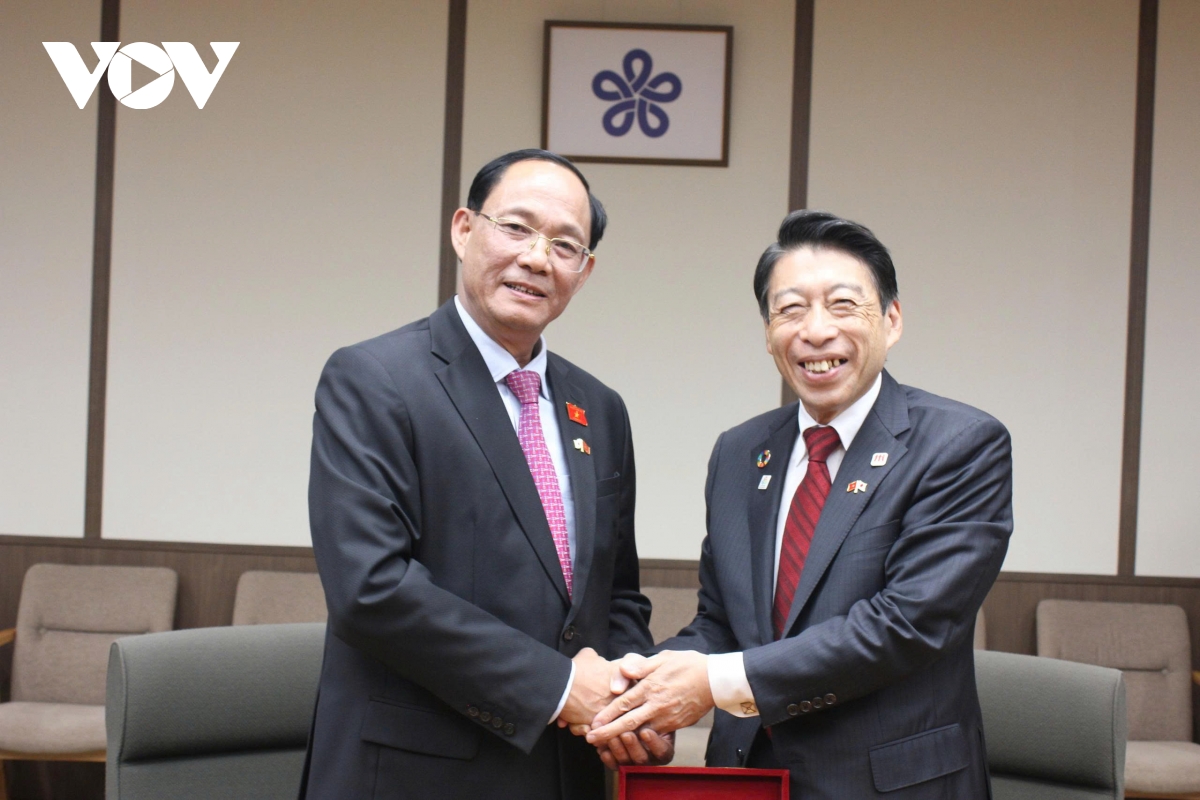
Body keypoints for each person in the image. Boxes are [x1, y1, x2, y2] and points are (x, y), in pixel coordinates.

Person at [583, 210, 1013, 798]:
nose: (815, 331)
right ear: (768, 334)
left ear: (891, 320)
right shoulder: (740, 452)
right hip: (749, 777)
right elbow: (722, 623)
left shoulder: (959, 443)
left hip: (893, 784)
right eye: (789, 310)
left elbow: (907, 625)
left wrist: (708, 683)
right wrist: (639, 702)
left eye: (842, 305)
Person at [300, 149, 669, 800]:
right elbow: (371, 589)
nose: (536, 258)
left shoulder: (600, 409)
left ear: (583, 272)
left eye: (565, 245)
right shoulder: (375, 380)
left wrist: (627, 700)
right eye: (516, 228)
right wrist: (560, 688)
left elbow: (616, 595)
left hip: (564, 773)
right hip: (418, 774)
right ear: (464, 229)